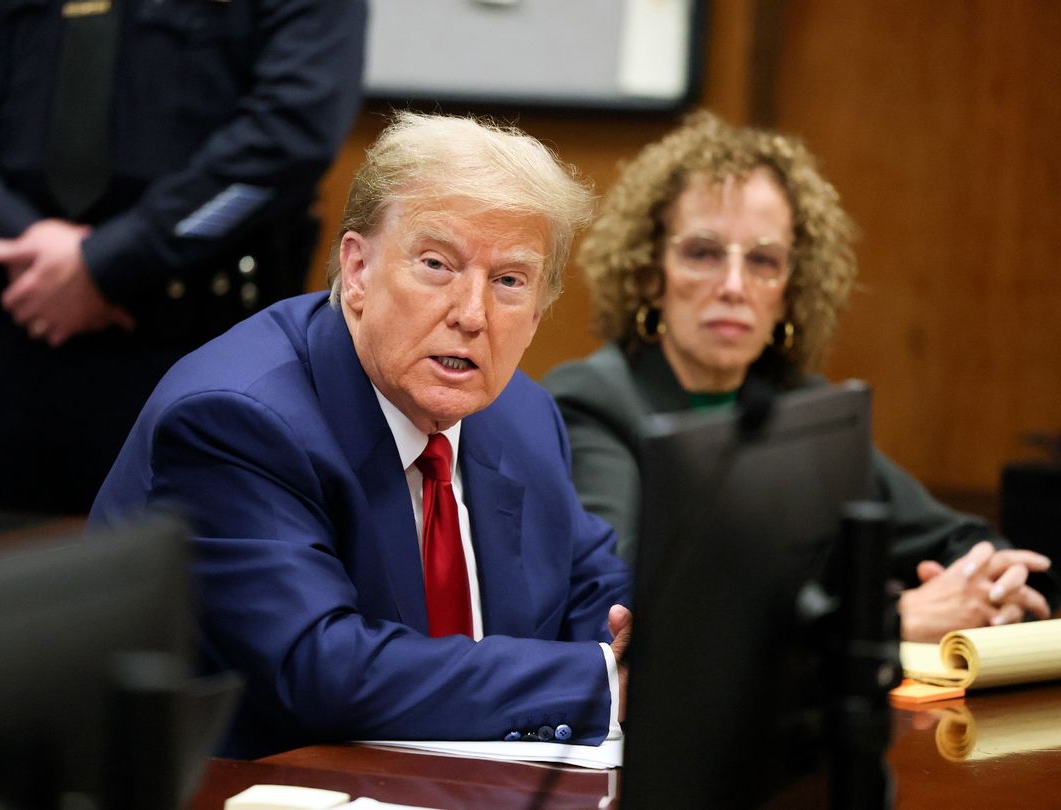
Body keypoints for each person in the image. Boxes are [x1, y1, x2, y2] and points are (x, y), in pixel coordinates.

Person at [90, 112, 633, 757]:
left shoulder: (522, 415)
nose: (471, 314)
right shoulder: (237, 421)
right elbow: (321, 671)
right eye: (437, 264)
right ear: (357, 270)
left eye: (509, 281)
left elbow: (594, 591)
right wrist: (595, 681)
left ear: (540, 310)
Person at [542, 111, 1057, 643]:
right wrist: (890, 624)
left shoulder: (805, 410)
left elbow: (959, 540)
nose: (735, 286)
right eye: (703, 253)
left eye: (764, 260)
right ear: (650, 275)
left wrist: (995, 586)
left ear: (790, 290)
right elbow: (624, 610)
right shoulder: (596, 400)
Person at [0, 0, 367, 513]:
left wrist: (105, 264)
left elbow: (295, 127)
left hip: (203, 357)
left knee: (187, 585)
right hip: (6, 334)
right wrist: (12, 239)